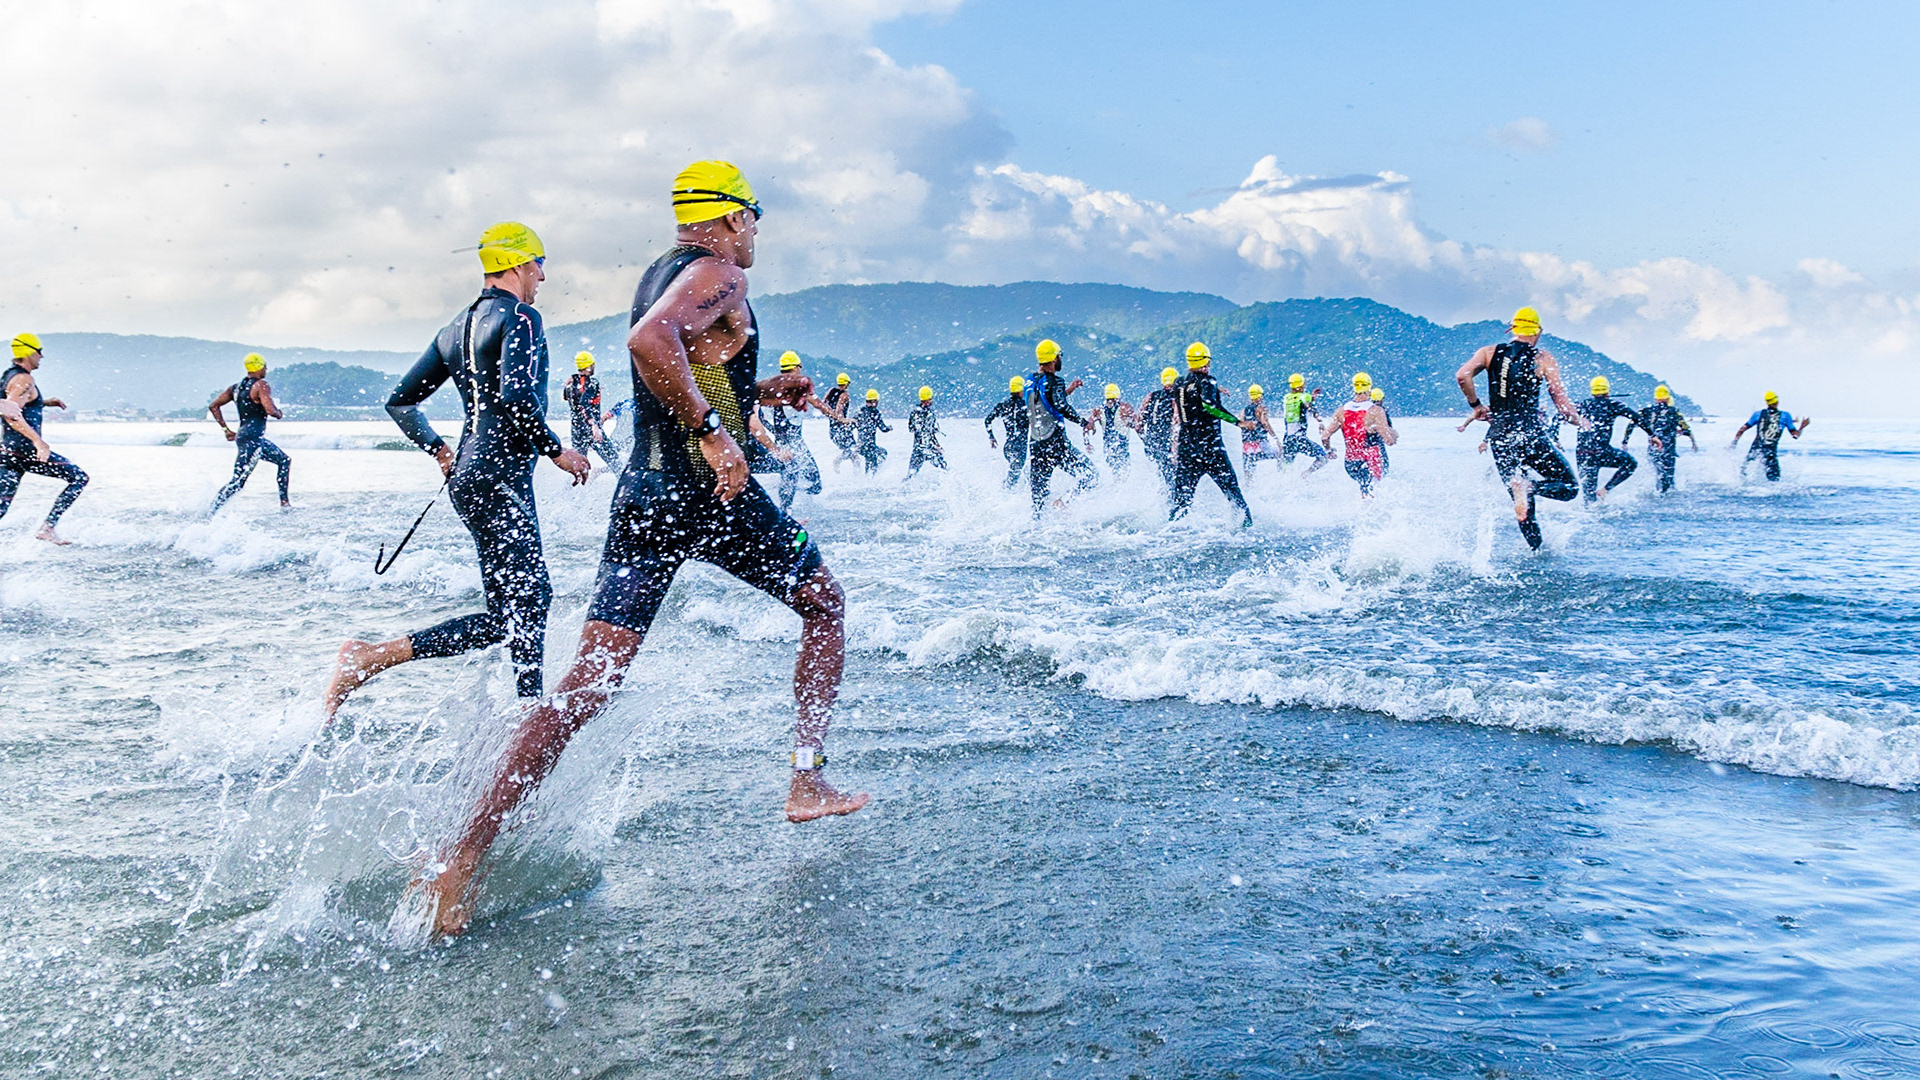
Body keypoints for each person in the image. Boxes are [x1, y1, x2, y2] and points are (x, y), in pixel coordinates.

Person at [395, 161, 865, 941]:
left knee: (584, 688)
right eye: (755, 217)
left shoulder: (664, 272)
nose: (756, 233)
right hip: (706, 499)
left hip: (643, 501)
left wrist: (756, 399)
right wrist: (717, 438)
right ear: (734, 217)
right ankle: (807, 779)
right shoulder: (720, 273)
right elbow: (649, 344)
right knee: (825, 603)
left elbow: (678, 365)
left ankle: (462, 851)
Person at [324, 222, 591, 722]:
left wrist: (442, 451)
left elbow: (400, 401)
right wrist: (558, 451)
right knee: (529, 606)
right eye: (539, 263)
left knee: (514, 612)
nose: (542, 276)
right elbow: (516, 397)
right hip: (499, 477)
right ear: (516, 264)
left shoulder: (454, 328)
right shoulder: (524, 319)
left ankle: (522, 714)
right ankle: (374, 658)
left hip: (470, 476)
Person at [1455, 306, 1587, 550]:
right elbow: (1563, 407)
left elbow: (1463, 376)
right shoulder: (1542, 358)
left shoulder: (1488, 352)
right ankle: (1530, 488)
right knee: (1569, 487)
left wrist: (1476, 405)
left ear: (1513, 328)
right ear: (1537, 332)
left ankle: (1536, 550)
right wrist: (1582, 422)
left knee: (1524, 510)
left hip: (1501, 438)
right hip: (1530, 434)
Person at [0, 333, 89, 545]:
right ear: (29, 352)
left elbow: (16, 402)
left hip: (9, 452)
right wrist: (38, 442)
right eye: (39, 352)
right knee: (78, 478)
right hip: (26, 451)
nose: (41, 356)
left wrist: (46, 402)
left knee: (1, 507)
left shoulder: (10, 375)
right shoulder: (24, 379)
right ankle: (48, 528)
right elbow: (11, 413)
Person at [1168, 342, 1252, 527]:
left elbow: (1191, 395)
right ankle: (1246, 526)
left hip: (1187, 450)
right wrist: (1239, 422)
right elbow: (1208, 406)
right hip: (1210, 449)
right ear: (1207, 361)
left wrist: (1215, 389)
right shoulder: (1208, 381)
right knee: (1233, 493)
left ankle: (1170, 530)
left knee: (1181, 502)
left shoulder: (1179, 383)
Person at [207, 352, 293, 513]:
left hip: (246, 436)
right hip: (253, 438)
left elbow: (214, 406)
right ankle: (212, 510)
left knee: (284, 461)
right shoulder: (262, 385)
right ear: (259, 366)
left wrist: (226, 430)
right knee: (238, 481)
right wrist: (279, 413)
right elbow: (269, 409)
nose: (266, 370)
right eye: (264, 366)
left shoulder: (235, 388)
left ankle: (285, 503)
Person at [1024, 339, 1099, 518]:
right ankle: (1064, 500)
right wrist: (1084, 423)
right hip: (1056, 444)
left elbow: (1045, 400)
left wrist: (1069, 390)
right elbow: (1060, 406)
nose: (1060, 360)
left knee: (1038, 499)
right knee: (1091, 476)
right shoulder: (1056, 381)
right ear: (1054, 359)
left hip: (1035, 444)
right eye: (1059, 356)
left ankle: (1035, 532)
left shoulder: (1029, 380)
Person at [759, 350, 840, 512]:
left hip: (780, 444)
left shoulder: (773, 387)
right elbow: (819, 405)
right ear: (796, 367)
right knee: (815, 484)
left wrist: (772, 431)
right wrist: (839, 419)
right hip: (796, 445)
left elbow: (759, 415)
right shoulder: (798, 386)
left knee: (790, 475)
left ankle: (786, 509)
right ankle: (794, 508)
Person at [1575, 376, 1659, 502]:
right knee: (1630, 464)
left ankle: (1587, 514)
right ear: (1607, 391)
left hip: (1582, 452)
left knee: (1588, 495)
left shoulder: (1582, 405)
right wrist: (1652, 435)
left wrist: (1555, 438)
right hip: (1601, 451)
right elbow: (1636, 418)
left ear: (1592, 391)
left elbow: (1558, 417)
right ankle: (1605, 490)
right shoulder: (1614, 405)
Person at [1322, 373, 1397, 497]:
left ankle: (1357, 510)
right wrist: (1393, 436)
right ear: (1369, 388)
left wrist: (1329, 450)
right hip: (1370, 460)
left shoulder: (1341, 410)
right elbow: (1388, 440)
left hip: (1350, 463)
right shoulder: (1376, 411)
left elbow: (1325, 436)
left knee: (1364, 487)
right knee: (1372, 491)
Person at [563, 351, 624, 471]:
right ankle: (627, 488)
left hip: (577, 430)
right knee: (615, 462)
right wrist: (594, 426)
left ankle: (572, 489)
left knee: (580, 467)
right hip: (591, 429)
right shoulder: (592, 383)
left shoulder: (570, 384)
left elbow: (567, 397)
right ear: (589, 366)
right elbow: (584, 403)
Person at [1731, 391, 1810, 482]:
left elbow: (1742, 430)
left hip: (1755, 449)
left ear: (1767, 402)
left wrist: (1734, 442)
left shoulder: (1758, 414)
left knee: (1744, 473)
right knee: (1774, 481)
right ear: (1777, 401)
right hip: (1770, 452)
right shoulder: (1785, 416)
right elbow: (1795, 436)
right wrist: (1802, 426)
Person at [1642, 384, 1697, 494]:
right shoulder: (1673, 412)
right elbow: (1686, 428)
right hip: (1668, 449)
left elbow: (1631, 424)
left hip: (1653, 448)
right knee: (1668, 476)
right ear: (1668, 397)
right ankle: (1666, 494)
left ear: (1655, 398)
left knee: (1658, 472)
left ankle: (1657, 492)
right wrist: (1693, 443)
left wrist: (1625, 442)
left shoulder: (1648, 411)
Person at [1136, 367, 1181, 495]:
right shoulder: (1176, 398)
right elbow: (1176, 422)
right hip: (1167, 443)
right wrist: (1175, 447)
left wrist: (1145, 440)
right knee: (1173, 477)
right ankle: (1171, 504)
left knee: (1162, 473)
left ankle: (1160, 500)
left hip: (1151, 444)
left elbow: (1138, 425)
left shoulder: (1151, 396)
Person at [984, 376, 1029, 488]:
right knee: (1016, 474)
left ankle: (1008, 493)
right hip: (1020, 447)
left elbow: (987, 420)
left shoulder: (1004, 405)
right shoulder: (1026, 406)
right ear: (1020, 390)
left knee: (1017, 472)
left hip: (1008, 447)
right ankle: (1005, 494)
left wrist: (992, 437)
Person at [1238, 383, 1283, 476]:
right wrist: (1276, 438)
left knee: (1249, 472)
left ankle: (1248, 488)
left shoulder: (1244, 410)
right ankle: (1281, 476)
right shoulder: (1261, 409)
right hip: (1260, 443)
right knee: (1280, 453)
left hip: (1247, 446)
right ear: (1260, 395)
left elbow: (1241, 424)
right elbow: (1265, 423)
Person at [1090, 383, 1134, 477]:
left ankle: (1114, 486)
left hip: (1108, 445)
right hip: (1122, 444)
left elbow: (1087, 425)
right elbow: (1136, 424)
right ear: (1118, 395)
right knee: (1124, 470)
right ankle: (1122, 488)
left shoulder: (1098, 410)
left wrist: (1087, 443)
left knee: (1113, 468)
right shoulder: (1125, 407)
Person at [906, 386, 947, 478]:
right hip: (928, 447)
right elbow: (929, 432)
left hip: (917, 448)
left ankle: (902, 488)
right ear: (929, 398)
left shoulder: (914, 412)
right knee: (943, 469)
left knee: (911, 475)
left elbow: (911, 428)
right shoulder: (930, 413)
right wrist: (936, 445)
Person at [823, 373, 857, 470]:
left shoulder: (831, 391)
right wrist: (847, 420)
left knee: (851, 453)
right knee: (854, 454)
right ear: (847, 383)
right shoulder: (844, 395)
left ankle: (840, 465)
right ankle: (838, 462)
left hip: (832, 430)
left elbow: (823, 404)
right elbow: (839, 412)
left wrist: (830, 415)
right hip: (842, 430)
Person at [854, 388, 891, 474]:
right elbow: (883, 428)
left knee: (869, 462)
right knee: (881, 455)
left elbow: (852, 424)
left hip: (860, 446)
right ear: (874, 401)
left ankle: (865, 479)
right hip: (870, 446)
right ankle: (871, 481)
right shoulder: (875, 412)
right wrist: (889, 428)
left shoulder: (860, 411)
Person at [1366, 386, 1394, 477]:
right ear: (1381, 399)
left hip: (1363, 446)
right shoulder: (1382, 412)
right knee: (1383, 469)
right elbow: (1388, 429)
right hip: (1377, 446)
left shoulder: (1364, 410)